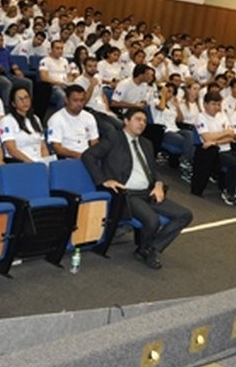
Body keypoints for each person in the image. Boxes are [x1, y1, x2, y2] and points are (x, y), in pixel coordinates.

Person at [82, 107, 192, 270]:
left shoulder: (147, 143)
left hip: (148, 192)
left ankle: (149, 248)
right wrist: (104, 180)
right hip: (127, 194)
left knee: (185, 215)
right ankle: (148, 250)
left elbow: (154, 171)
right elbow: (88, 156)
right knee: (152, 221)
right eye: (137, 119)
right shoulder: (114, 138)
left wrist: (159, 184)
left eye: (144, 121)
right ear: (126, 121)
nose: (142, 123)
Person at [0, 86, 51, 163]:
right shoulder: (7, 121)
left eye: (26, 98)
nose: (24, 101)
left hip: (39, 161)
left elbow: (43, 146)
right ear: (13, 103)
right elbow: (11, 150)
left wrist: (46, 161)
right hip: (20, 162)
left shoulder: (35, 119)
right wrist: (31, 163)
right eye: (20, 99)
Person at [46, 84, 100, 160]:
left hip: (88, 158)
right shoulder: (56, 119)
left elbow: (94, 142)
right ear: (66, 100)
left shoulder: (89, 117)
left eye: (81, 100)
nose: (79, 104)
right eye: (75, 100)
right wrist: (78, 155)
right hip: (67, 159)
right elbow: (57, 148)